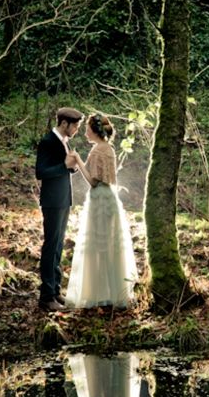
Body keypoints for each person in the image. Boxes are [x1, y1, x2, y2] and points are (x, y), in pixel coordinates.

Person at [65, 112, 138, 309]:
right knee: (111, 244)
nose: (85, 133)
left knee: (96, 245)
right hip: (111, 198)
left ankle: (96, 293)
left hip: (99, 200)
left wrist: (78, 160)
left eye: (87, 129)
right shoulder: (110, 149)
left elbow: (93, 181)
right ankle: (115, 293)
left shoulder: (97, 150)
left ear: (94, 131)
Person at [35, 106, 84, 311]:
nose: (77, 130)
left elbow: (62, 169)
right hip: (53, 202)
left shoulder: (65, 142)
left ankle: (54, 291)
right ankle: (46, 297)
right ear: (64, 124)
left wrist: (70, 168)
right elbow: (41, 172)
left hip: (63, 200)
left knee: (58, 247)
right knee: (51, 246)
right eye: (75, 126)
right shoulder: (48, 142)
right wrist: (64, 165)